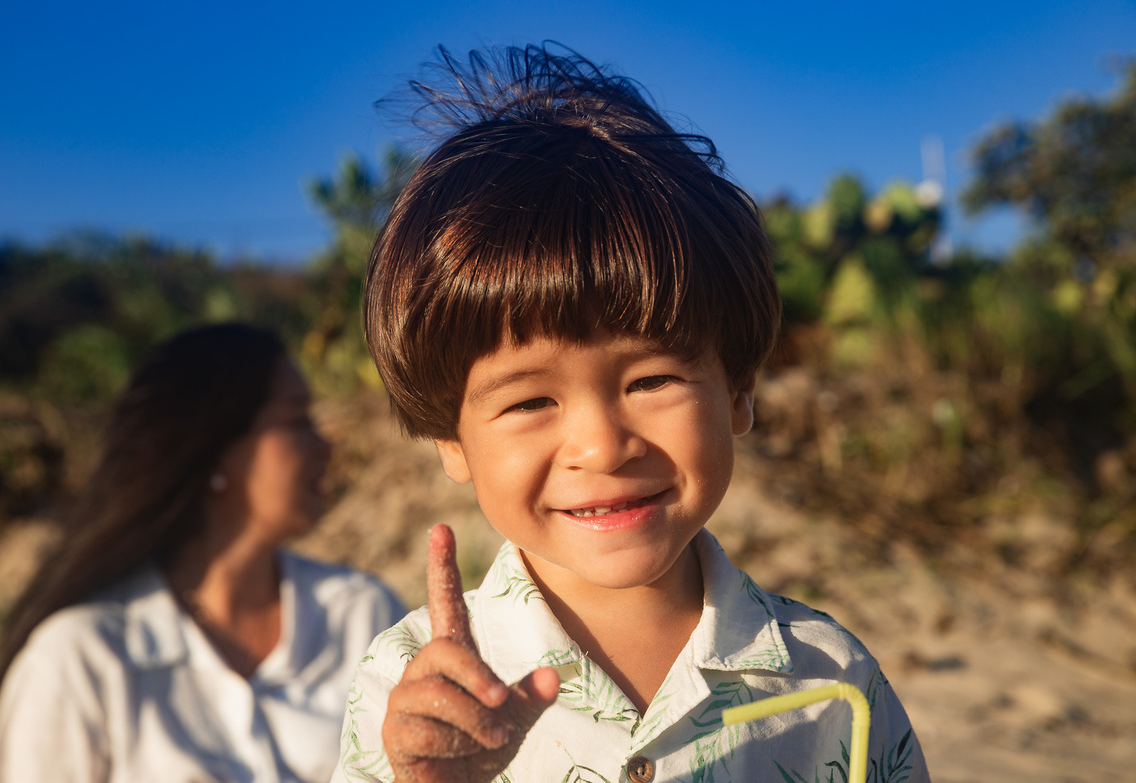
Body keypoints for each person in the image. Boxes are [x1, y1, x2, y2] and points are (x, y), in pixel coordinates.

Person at [334, 45, 930, 783]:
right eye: (529, 400)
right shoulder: (414, 686)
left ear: (738, 389)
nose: (602, 446)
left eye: (651, 381)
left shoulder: (826, 679)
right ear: (449, 440)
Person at [0, 322, 406, 783]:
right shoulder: (82, 659)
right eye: (297, 420)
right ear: (216, 451)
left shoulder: (364, 617)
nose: (325, 443)